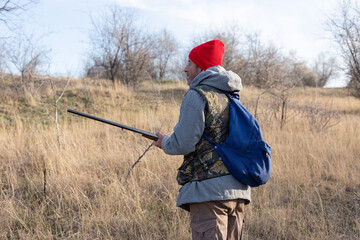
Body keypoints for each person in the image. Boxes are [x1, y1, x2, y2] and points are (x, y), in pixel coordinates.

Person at [154, 39, 251, 240]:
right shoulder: (232, 95)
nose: (185, 68)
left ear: (201, 67)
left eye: (190, 63)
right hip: (239, 193)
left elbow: (183, 143)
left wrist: (164, 142)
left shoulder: (197, 95)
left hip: (210, 195)